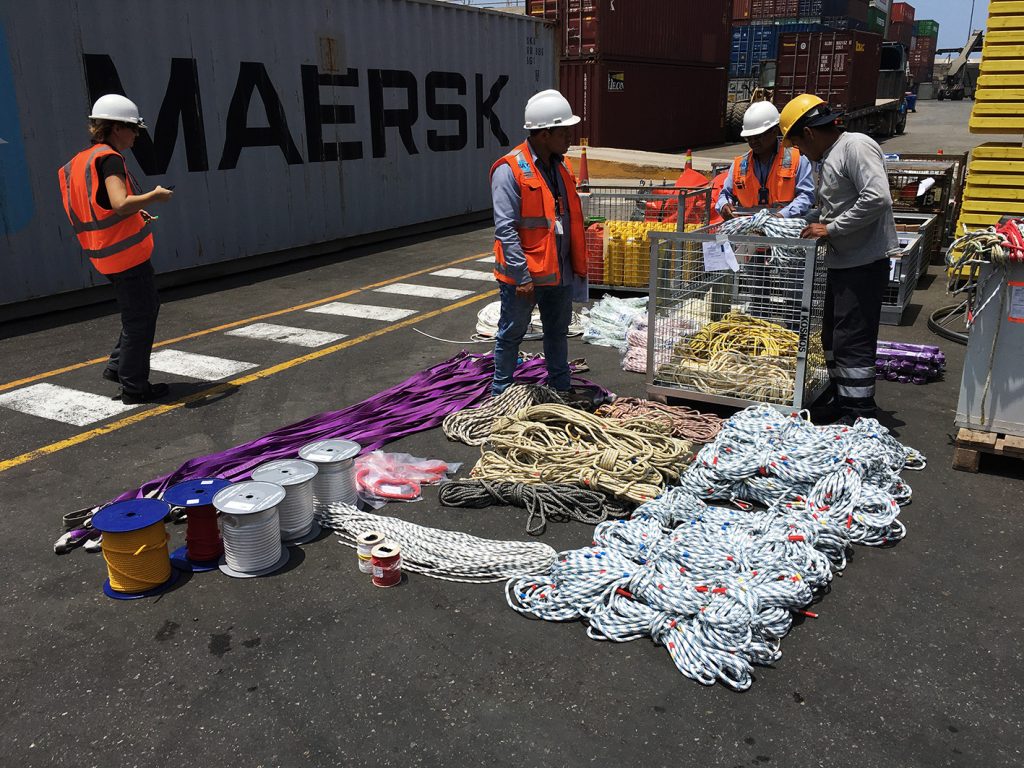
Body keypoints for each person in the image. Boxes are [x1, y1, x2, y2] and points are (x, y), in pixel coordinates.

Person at [779, 94, 900, 424]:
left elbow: (878, 198)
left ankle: (859, 412)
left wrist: (830, 228)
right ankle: (841, 398)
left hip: (862, 264)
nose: (801, 153)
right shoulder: (829, 158)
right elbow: (836, 205)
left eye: (799, 145)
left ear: (809, 134)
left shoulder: (855, 146)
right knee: (832, 336)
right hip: (842, 262)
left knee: (853, 340)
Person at [59, 94, 174, 404]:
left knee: (139, 312)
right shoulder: (110, 159)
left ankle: (118, 367)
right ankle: (134, 386)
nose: (136, 136)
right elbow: (120, 202)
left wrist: (138, 213)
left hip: (104, 254)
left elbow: (104, 208)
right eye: (133, 129)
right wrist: (154, 196)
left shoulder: (81, 161)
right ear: (115, 128)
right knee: (141, 317)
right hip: (126, 257)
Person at [489, 89, 588, 396]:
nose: (570, 137)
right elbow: (505, 229)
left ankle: (560, 389)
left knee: (557, 334)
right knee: (512, 333)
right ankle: (500, 393)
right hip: (526, 277)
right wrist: (521, 276)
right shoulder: (510, 169)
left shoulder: (561, 166)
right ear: (545, 133)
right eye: (565, 131)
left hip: (557, 271)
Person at [716, 101, 815, 220]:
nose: (753, 142)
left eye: (757, 137)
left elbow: (806, 196)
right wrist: (724, 205)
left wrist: (782, 215)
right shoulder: (739, 165)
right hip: (748, 226)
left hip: (785, 225)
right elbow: (725, 194)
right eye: (749, 138)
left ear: (774, 132)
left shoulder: (797, 159)